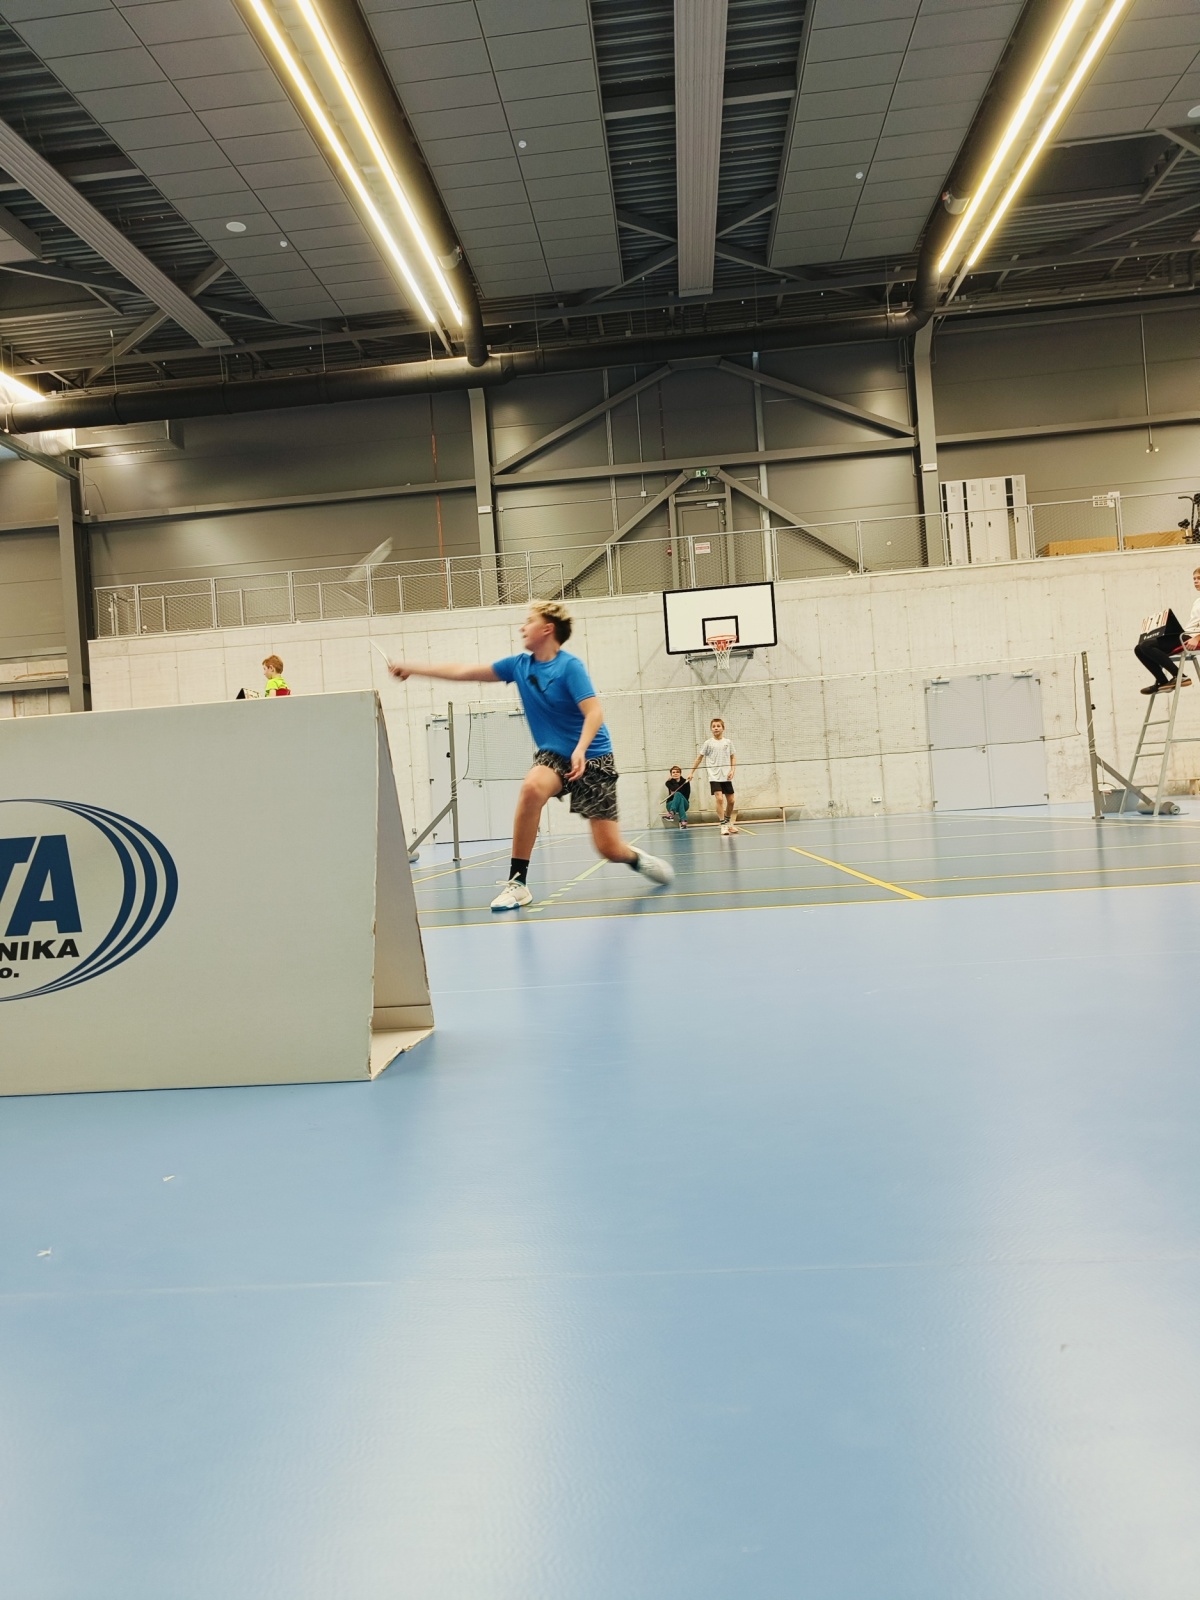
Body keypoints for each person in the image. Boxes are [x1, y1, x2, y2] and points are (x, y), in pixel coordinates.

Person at [388, 601, 674, 911]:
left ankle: (634, 858)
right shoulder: (518, 666)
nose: (522, 627)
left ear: (547, 629)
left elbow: (594, 712)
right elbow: (464, 671)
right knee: (531, 789)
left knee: (609, 848)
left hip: (592, 756)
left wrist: (580, 749)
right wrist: (413, 668)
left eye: (529, 621)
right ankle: (518, 883)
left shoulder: (570, 667)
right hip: (553, 755)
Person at [1134, 569, 1200, 694]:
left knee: (1147, 645)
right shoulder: (1197, 601)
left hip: (1192, 637)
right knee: (1139, 649)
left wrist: (1197, 638)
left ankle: (1180, 677)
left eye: (1199, 578)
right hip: (1186, 634)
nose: (1195, 581)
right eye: (1194, 579)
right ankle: (1162, 681)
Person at [689, 717, 738, 834]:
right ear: (711, 729)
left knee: (731, 801)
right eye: (714, 726)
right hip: (714, 776)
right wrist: (691, 772)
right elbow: (699, 758)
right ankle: (723, 824)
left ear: (723, 728)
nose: (716, 728)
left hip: (726, 776)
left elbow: (733, 757)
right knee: (719, 799)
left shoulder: (728, 742)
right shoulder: (708, 743)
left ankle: (728, 822)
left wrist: (732, 770)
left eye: (718, 726)